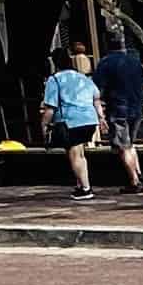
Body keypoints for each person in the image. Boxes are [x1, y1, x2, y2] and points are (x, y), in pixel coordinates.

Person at [40, 45, 103, 199]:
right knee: (80, 154)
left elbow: (50, 107)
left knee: (75, 155)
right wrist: (101, 117)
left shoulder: (54, 79)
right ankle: (81, 184)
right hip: (89, 118)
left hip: (70, 120)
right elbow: (96, 97)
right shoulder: (83, 78)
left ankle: (86, 188)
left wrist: (44, 124)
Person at [92, 28, 143, 192]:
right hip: (137, 107)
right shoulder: (134, 61)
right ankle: (138, 172)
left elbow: (97, 89)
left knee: (123, 146)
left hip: (118, 108)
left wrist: (99, 112)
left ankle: (134, 180)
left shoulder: (105, 63)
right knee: (130, 143)